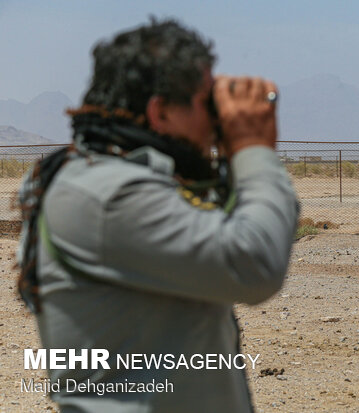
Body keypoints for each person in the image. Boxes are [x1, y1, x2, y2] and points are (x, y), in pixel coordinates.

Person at [17, 18, 299, 412]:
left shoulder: (107, 179)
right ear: (161, 111)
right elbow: (253, 262)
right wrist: (254, 148)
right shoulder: (107, 197)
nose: (215, 118)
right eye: (205, 103)